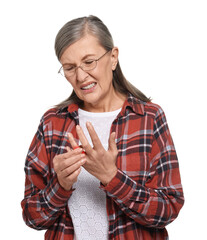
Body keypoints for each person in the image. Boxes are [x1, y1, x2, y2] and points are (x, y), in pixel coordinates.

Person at [21, 15, 184, 240]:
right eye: (69, 68)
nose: (80, 76)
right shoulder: (52, 124)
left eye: (89, 62)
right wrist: (60, 185)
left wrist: (111, 176)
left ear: (113, 58)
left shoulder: (149, 118)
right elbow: (32, 217)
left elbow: (169, 208)